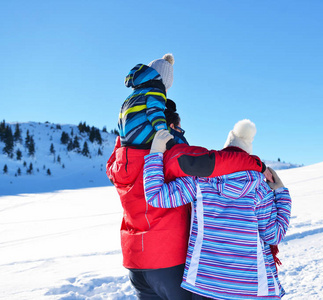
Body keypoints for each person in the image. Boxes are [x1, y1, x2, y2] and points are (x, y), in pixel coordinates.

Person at [107, 111, 272, 299]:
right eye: (179, 128)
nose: (181, 133)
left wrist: (122, 141)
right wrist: (257, 164)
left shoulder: (121, 159)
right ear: (169, 128)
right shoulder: (173, 154)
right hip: (168, 258)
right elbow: (219, 160)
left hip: (135, 260)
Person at [142, 120, 292, 299]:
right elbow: (273, 235)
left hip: (206, 286)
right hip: (252, 288)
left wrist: (156, 153)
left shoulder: (200, 182)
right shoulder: (260, 188)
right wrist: (281, 194)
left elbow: (155, 195)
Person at [118, 53, 174, 147]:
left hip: (125, 140)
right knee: (176, 135)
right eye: (167, 87)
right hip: (141, 136)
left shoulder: (133, 96)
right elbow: (155, 112)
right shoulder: (155, 91)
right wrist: (163, 133)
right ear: (162, 82)